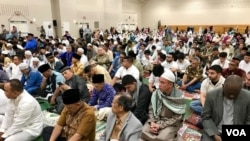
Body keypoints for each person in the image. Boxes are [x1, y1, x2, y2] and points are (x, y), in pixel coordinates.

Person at [201, 75, 250, 141]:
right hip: (215, 129)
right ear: (223, 86)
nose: (231, 96)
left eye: (235, 94)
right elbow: (206, 117)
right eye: (229, 93)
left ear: (241, 89)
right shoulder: (212, 95)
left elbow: (248, 120)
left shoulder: (247, 97)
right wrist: (214, 134)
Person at [141, 69, 186, 141]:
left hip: (170, 123)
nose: (159, 84)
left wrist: (160, 126)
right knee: (143, 132)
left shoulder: (179, 97)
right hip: (156, 120)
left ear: (170, 84)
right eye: (159, 82)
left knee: (162, 138)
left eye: (162, 82)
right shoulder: (156, 93)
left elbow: (177, 118)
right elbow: (151, 109)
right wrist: (152, 122)